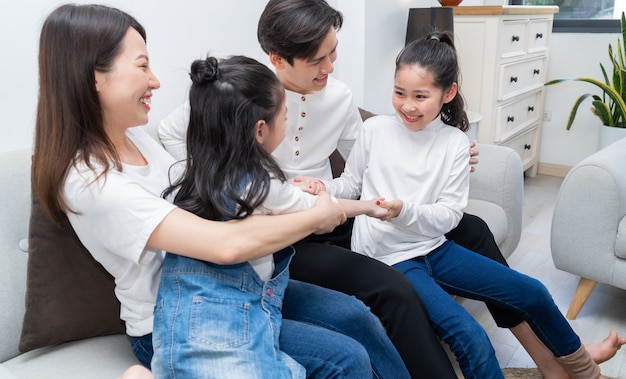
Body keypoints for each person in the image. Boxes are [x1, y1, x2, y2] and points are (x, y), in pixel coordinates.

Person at [158, 0, 624, 377]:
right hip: (294, 227)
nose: (332, 67)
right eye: (320, 59)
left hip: (337, 210)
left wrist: (445, 153)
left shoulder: (338, 97)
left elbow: (369, 153)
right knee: (393, 287)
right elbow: (177, 142)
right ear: (279, 60)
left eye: (334, 52)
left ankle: (554, 360)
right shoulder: (237, 95)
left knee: (476, 230)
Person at [31, 4, 412, 378]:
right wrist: (315, 216)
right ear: (94, 76)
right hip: (180, 319)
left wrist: (279, 193)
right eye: (142, 65)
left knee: (355, 316)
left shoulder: (137, 139)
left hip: (241, 285)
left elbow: (214, 191)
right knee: (344, 358)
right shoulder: (89, 182)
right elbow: (223, 244)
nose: (156, 81)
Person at [316, 31, 616, 379]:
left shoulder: (457, 143)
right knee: (471, 336)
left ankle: (582, 371)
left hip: (434, 247)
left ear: (449, 93)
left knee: (532, 291)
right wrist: (319, 187)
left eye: (420, 96)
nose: (407, 105)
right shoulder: (375, 131)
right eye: (399, 93)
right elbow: (350, 184)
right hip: (389, 258)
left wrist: (403, 211)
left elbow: (448, 216)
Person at [151, 54, 409, 379]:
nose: (286, 124)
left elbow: (301, 204)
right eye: (284, 117)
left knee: (355, 316)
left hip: (192, 305)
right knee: (346, 357)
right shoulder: (260, 186)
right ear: (260, 130)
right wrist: (340, 201)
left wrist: (362, 204)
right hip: (234, 308)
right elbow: (324, 212)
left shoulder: (193, 177)